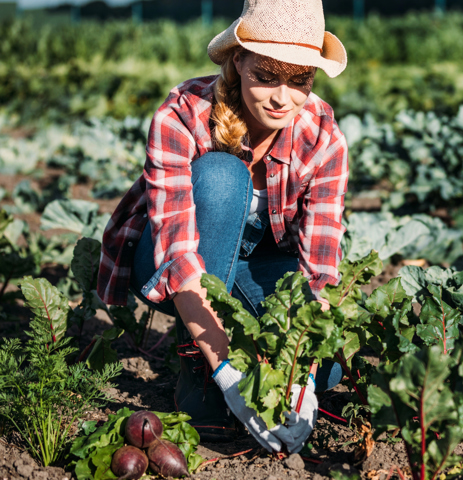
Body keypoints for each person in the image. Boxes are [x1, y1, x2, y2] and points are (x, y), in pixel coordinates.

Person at [97, 0, 349, 454]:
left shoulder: (323, 136)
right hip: (172, 259)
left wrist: (302, 375)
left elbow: (319, 273)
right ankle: (196, 363)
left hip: (258, 265)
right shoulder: (181, 115)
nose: (281, 98)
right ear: (239, 60)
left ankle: (241, 353)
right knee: (220, 176)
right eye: (266, 76)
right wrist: (226, 372)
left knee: (329, 369)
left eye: (299, 81)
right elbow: (178, 256)